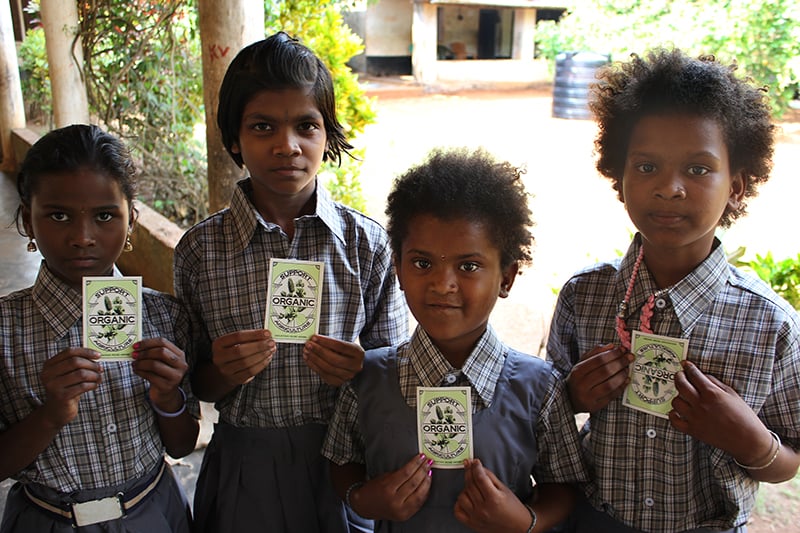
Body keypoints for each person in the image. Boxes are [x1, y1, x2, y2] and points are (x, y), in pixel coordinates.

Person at [546, 47, 800, 532]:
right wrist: (573, 397)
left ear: (738, 186)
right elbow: (545, 413)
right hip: (594, 520)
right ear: (618, 179)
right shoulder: (585, 296)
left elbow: (789, 459)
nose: (670, 188)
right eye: (646, 167)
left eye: (698, 169)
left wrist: (749, 440)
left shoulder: (771, 324)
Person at [174, 31, 408, 532]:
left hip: (344, 463)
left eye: (306, 125)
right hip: (243, 465)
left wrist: (362, 369)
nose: (288, 146)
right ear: (234, 138)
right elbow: (195, 383)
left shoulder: (367, 245)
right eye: (262, 127)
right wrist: (223, 370)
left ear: (328, 134)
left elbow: (397, 372)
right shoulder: (200, 251)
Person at [322, 147, 587, 532]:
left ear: (506, 278)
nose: (443, 284)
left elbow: (562, 483)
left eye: (468, 266)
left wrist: (527, 520)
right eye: (422, 263)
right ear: (397, 268)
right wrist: (363, 497)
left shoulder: (539, 387)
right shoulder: (368, 379)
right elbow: (341, 460)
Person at [0, 124, 200, 532]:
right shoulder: (5, 330)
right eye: (58, 216)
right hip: (46, 520)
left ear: (131, 222)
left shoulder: (165, 317)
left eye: (105, 216)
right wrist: (51, 414)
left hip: (155, 512)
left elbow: (181, 444)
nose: (82, 237)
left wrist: (167, 395)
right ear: (27, 220)